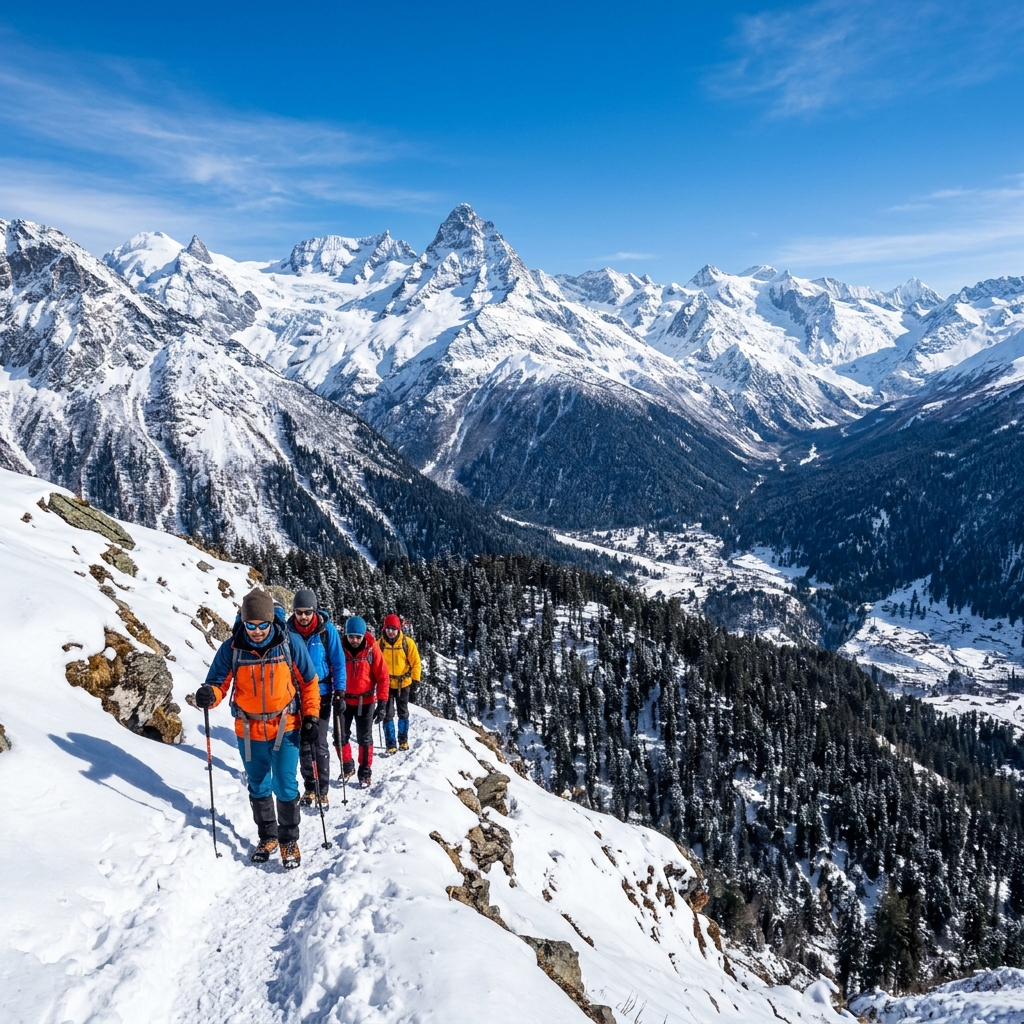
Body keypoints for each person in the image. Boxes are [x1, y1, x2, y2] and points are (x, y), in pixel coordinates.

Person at [195, 589, 320, 869]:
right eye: (251, 625)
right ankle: (268, 837)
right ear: (243, 622)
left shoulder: (289, 643)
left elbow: (309, 682)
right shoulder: (232, 648)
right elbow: (217, 684)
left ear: (271, 621)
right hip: (248, 730)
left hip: (286, 726)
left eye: (262, 624)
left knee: (285, 785)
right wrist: (208, 695)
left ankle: (289, 839)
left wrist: (311, 716)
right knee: (259, 784)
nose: (257, 631)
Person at [288, 589, 345, 810]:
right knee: (303, 743)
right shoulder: (288, 631)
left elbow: (338, 662)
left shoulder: (326, 631)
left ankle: (323, 790)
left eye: (307, 612)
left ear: (314, 611)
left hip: (322, 693)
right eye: (299, 612)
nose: (303, 616)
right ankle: (310, 787)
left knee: (319, 742)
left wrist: (340, 691)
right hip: (296, 694)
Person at [339, 616, 390, 787]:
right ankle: (347, 765)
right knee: (339, 736)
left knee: (365, 738)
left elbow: (383, 677)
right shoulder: (340, 648)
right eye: (351, 636)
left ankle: (365, 771)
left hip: (366, 701)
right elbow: (333, 669)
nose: (354, 640)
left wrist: (382, 703)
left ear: (363, 635)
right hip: (344, 700)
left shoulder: (372, 649)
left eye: (358, 637)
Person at [379, 614, 421, 754]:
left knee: (403, 713)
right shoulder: (380, 644)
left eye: (393, 629)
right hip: (386, 685)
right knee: (387, 714)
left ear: (399, 629)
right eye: (388, 628)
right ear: (384, 629)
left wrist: (415, 681)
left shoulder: (407, 643)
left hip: (404, 684)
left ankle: (403, 740)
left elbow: (416, 663)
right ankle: (390, 743)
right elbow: (374, 665)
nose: (390, 632)